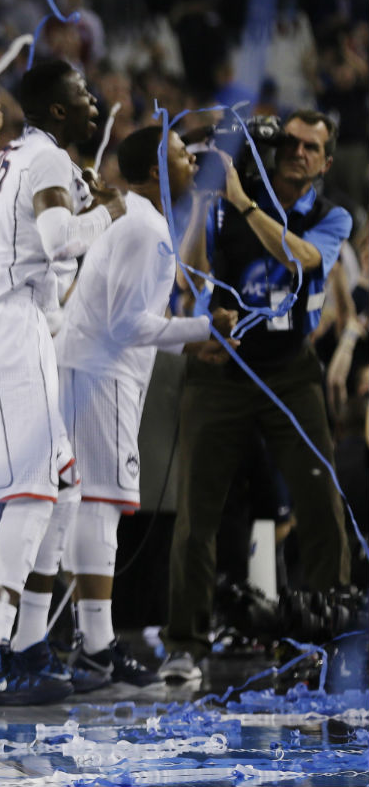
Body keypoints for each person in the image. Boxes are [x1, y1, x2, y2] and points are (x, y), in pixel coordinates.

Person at [0, 59, 126, 705]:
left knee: (65, 484)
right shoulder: (45, 158)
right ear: (56, 109)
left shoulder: (28, 153)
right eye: (81, 93)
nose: (92, 101)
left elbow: (41, 250)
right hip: (2, 323)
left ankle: (28, 646)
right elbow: (55, 241)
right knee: (31, 491)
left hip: (17, 323)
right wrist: (107, 213)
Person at [163, 110, 354, 682]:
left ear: (325, 162)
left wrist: (243, 200)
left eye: (310, 147)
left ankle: (328, 638)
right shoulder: (226, 203)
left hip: (291, 372)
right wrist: (203, 202)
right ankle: (185, 643)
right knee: (196, 512)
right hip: (223, 370)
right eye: (289, 142)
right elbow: (189, 283)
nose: (296, 152)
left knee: (321, 505)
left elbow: (301, 260)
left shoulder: (330, 215)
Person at [53, 125, 236, 689]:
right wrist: (206, 328)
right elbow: (126, 325)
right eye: (184, 156)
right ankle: (97, 648)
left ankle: (82, 645)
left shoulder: (132, 217)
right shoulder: (145, 225)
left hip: (90, 367)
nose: (193, 163)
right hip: (102, 372)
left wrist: (189, 336)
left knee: (83, 506)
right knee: (99, 509)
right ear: (159, 170)